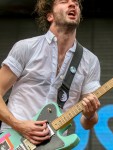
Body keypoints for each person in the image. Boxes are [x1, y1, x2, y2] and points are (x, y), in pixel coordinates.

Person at [0, 0, 101, 146]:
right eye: (64, 1)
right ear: (50, 16)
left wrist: (90, 114)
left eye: (76, 3)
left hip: (53, 145)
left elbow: (87, 124)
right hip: (13, 140)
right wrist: (19, 125)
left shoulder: (90, 61)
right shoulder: (26, 48)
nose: (73, 5)